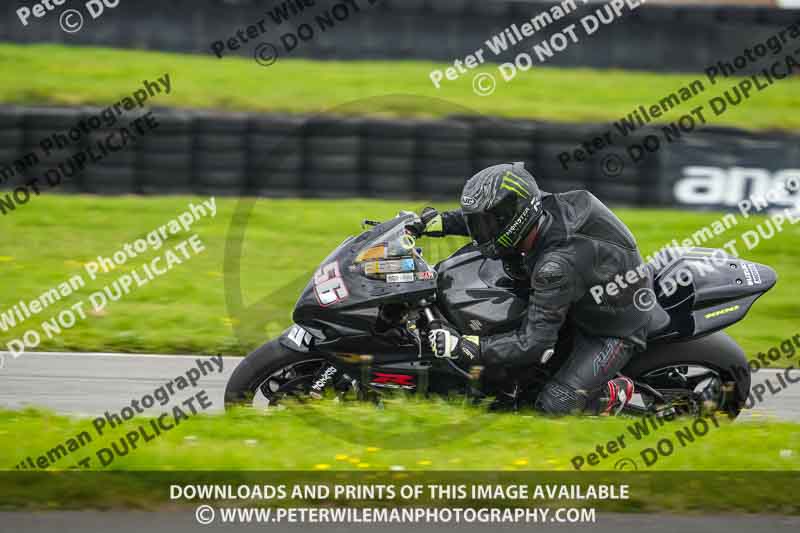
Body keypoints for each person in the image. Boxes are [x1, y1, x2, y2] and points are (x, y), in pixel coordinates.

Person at [419, 162, 651, 415]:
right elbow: (493, 219)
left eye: (485, 225)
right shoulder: (537, 207)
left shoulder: (555, 267)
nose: (480, 232)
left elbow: (534, 343)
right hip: (591, 291)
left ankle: (617, 393)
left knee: (552, 406)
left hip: (613, 328)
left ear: (514, 220)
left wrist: (467, 346)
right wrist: (441, 222)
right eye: (478, 224)